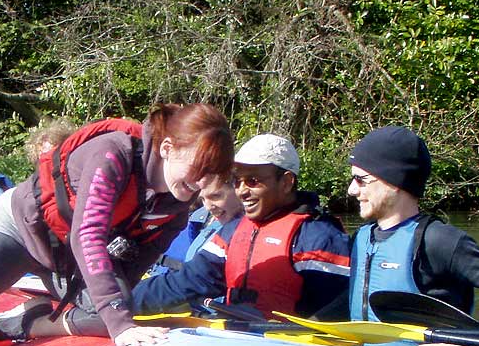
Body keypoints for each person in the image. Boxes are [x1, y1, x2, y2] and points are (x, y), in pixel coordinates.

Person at [0, 103, 235, 346]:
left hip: (67, 256)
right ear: (167, 148)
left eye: (211, 174)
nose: (201, 183)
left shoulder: (177, 207)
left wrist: (117, 314)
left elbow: (137, 262)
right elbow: (88, 234)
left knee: (119, 311)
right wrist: (121, 326)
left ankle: (28, 319)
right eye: (198, 168)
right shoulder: (113, 154)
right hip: (18, 230)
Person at [130, 133, 350, 320]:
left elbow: (335, 314)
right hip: (238, 341)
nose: (242, 191)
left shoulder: (320, 237)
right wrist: (118, 303)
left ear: (286, 182)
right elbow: (185, 283)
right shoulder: (232, 231)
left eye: (253, 181)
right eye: (238, 181)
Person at [344, 126, 479, 327]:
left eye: (361, 180)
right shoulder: (360, 239)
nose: (352, 190)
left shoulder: (439, 241)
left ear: (394, 182)